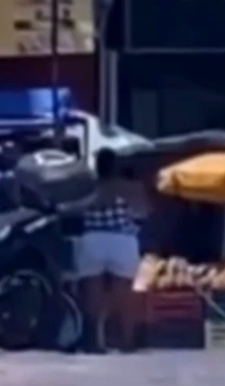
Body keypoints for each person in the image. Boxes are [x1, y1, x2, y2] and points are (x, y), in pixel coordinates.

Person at [76, 148, 145, 353]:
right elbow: (143, 211)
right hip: (122, 240)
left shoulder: (85, 187)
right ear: (116, 166)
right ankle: (126, 341)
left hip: (92, 238)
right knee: (123, 293)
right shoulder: (129, 187)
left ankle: (93, 342)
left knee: (92, 293)